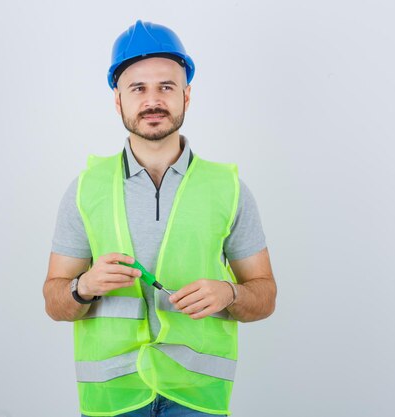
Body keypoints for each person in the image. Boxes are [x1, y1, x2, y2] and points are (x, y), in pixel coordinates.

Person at [43, 20, 277, 417]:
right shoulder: (85, 189)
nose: (153, 100)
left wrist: (230, 293)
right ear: (118, 100)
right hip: (113, 398)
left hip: (196, 397)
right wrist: (83, 287)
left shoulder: (228, 188)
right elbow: (54, 300)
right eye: (138, 88)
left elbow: (265, 294)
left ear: (187, 95)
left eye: (166, 87)